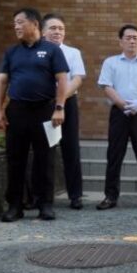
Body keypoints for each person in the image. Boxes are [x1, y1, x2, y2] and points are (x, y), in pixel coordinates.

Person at [0, 7, 69, 222]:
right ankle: (15, 206)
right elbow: (2, 82)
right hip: (17, 111)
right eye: (14, 23)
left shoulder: (52, 50)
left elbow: (62, 79)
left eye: (20, 22)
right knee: (15, 159)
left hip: (45, 111)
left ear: (34, 24)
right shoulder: (11, 52)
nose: (16, 27)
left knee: (45, 159)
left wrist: (59, 107)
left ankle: (45, 204)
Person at [96, 25, 137, 211]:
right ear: (121, 41)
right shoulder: (111, 62)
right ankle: (110, 196)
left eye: (135, 38)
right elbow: (106, 86)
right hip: (119, 112)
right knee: (114, 154)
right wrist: (122, 104)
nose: (132, 41)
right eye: (128, 38)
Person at [42, 13, 86, 210]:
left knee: (71, 148)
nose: (57, 32)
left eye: (61, 28)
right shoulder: (37, 51)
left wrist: (60, 99)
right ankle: (43, 196)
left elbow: (77, 79)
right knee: (45, 150)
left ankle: (75, 195)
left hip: (67, 102)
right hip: (43, 104)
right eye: (53, 28)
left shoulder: (73, 52)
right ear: (43, 32)